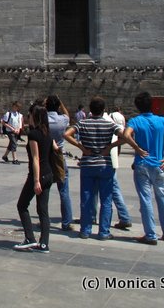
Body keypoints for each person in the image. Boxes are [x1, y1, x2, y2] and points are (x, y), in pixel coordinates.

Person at [64, 96, 142, 241]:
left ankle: (85, 230)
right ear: (104, 110)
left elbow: (66, 134)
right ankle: (103, 231)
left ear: (90, 110)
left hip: (88, 164)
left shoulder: (83, 123)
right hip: (105, 165)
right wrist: (110, 146)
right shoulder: (109, 124)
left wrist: (81, 147)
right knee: (106, 199)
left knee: (86, 198)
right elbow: (126, 136)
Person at [125, 91, 164, 245]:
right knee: (162, 198)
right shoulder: (161, 120)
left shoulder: (135, 121)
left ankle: (150, 234)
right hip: (158, 164)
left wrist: (137, 148)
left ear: (137, 107)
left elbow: (126, 135)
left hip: (142, 164)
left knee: (146, 199)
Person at [13, 103, 54, 253]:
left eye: (30, 116)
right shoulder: (48, 134)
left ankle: (30, 238)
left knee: (22, 205)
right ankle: (44, 244)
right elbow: (56, 150)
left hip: (38, 175)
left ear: (35, 117)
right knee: (43, 210)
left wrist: (36, 180)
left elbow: (36, 158)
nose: (28, 118)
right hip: (49, 174)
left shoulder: (34, 134)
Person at [45, 95, 74, 231]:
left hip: (45, 157)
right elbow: (67, 114)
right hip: (60, 157)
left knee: (44, 191)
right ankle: (67, 222)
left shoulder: (43, 120)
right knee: (64, 190)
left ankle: (43, 220)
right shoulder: (63, 120)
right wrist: (61, 102)